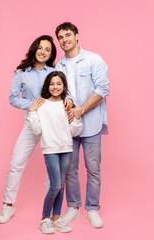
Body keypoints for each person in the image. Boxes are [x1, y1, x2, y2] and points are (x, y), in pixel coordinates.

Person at [0, 35, 73, 224]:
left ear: (51, 54)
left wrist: (70, 100)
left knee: (53, 173)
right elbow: (13, 97)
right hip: (32, 123)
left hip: (54, 125)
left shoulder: (54, 71)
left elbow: (64, 91)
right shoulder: (21, 73)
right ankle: (8, 205)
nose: (43, 52)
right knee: (16, 164)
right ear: (34, 48)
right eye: (40, 48)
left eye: (48, 49)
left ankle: (49, 216)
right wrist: (32, 104)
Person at [54, 22, 110, 228]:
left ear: (77, 36)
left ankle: (93, 208)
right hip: (68, 125)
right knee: (69, 169)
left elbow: (102, 89)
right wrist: (65, 103)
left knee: (93, 168)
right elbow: (57, 92)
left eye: (68, 35)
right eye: (60, 37)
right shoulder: (58, 66)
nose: (64, 39)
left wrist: (82, 109)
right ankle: (73, 207)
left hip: (92, 124)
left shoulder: (94, 59)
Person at [26, 71, 83, 234]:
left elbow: (74, 132)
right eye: (52, 84)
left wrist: (77, 117)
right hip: (50, 150)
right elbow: (37, 129)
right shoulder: (42, 105)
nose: (55, 87)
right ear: (47, 86)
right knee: (55, 185)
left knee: (61, 185)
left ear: (64, 86)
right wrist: (32, 111)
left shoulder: (67, 105)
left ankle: (57, 219)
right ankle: (45, 219)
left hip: (66, 149)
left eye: (59, 83)